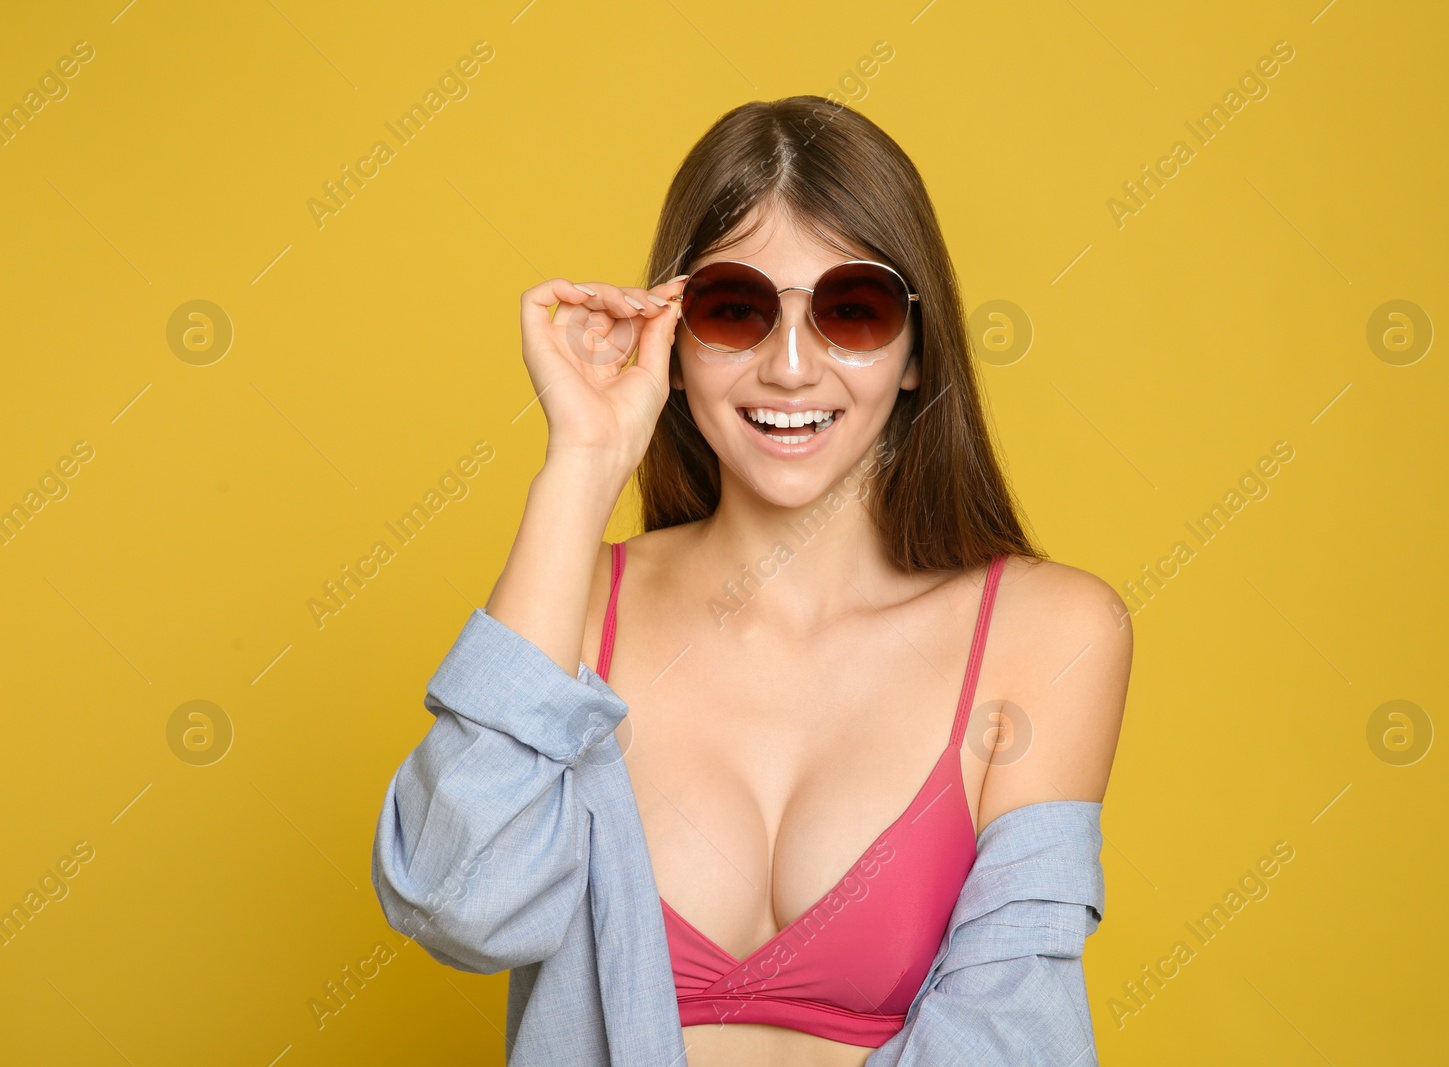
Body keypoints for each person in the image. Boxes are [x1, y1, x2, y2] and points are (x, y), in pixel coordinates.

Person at [372, 95, 1132, 1067]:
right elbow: (454, 897)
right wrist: (584, 460)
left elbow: (1013, 1038)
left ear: (912, 351)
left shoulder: (1050, 629)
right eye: (735, 308)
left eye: (851, 310)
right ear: (675, 339)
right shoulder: (570, 610)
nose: (787, 365)